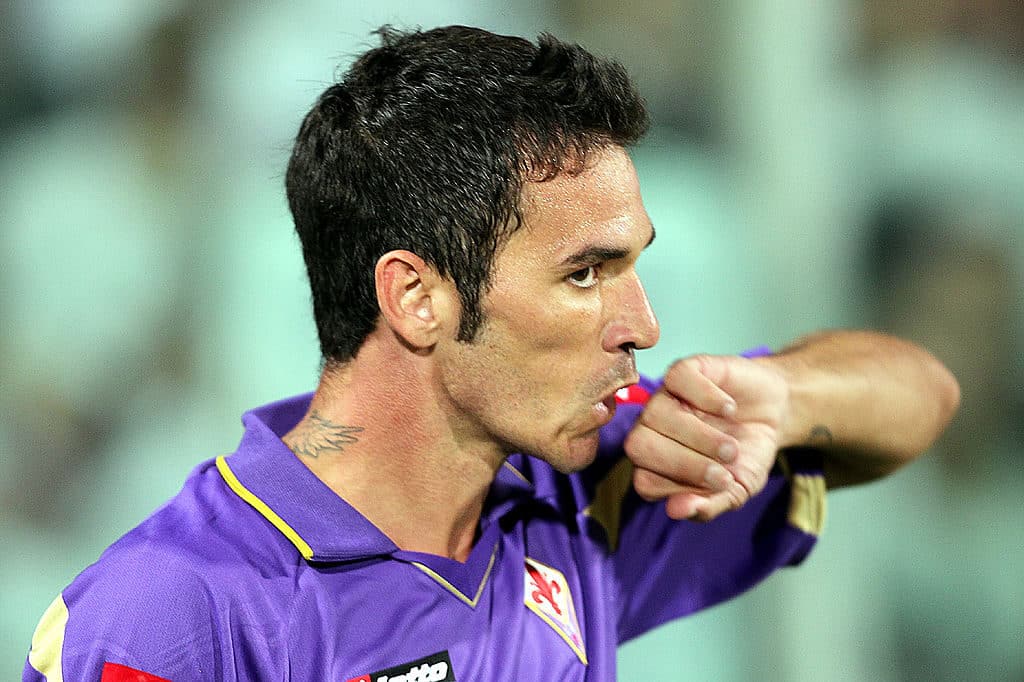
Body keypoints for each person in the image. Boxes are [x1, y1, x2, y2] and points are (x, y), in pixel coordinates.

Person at [23, 25, 959, 682]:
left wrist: (781, 397)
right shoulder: (177, 611)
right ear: (416, 297)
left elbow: (921, 396)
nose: (644, 323)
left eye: (634, 266)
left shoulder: (588, 487)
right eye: (587, 274)